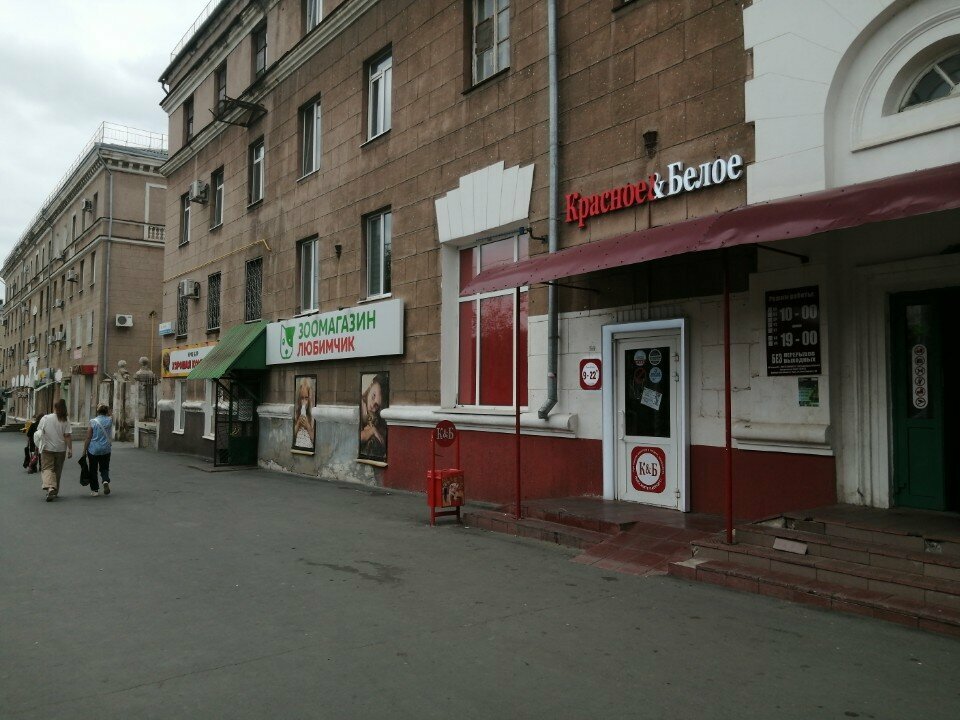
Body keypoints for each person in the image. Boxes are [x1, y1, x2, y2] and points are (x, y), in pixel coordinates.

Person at [34, 399, 72, 502]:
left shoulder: (45, 418)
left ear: (54, 407)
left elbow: (39, 432)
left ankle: (50, 487)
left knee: (47, 468)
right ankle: (55, 491)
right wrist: (70, 449)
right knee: (57, 470)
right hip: (61, 449)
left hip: (47, 448)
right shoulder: (65, 420)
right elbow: (67, 436)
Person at [82, 404, 113, 497]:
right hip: (106, 449)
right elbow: (111, 415)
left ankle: (95, 490)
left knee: (93, 469)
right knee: (104, 467)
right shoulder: (109, 420)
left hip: (93, 449)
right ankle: (105, 480)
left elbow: (88, 437)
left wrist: (84, 450)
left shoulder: (93, 421)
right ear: (106, 412)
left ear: (98, 412)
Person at [359, 374, 388, 460]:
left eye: (377, 405)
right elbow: (350, 438)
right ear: (370, 386)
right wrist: (372, 431)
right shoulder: (358, 405)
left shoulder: (377, 417)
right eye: (373, 396)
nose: (372, 405)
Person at [293, 378, 314, 451]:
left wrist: (307, 425)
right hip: (298, 447)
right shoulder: (296, 413)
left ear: (309, 399)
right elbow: (292, 435)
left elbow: (314, 438)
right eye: (302, 398)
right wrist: (298, 423)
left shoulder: (312, 415)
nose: (304, 402)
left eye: (306, 398)